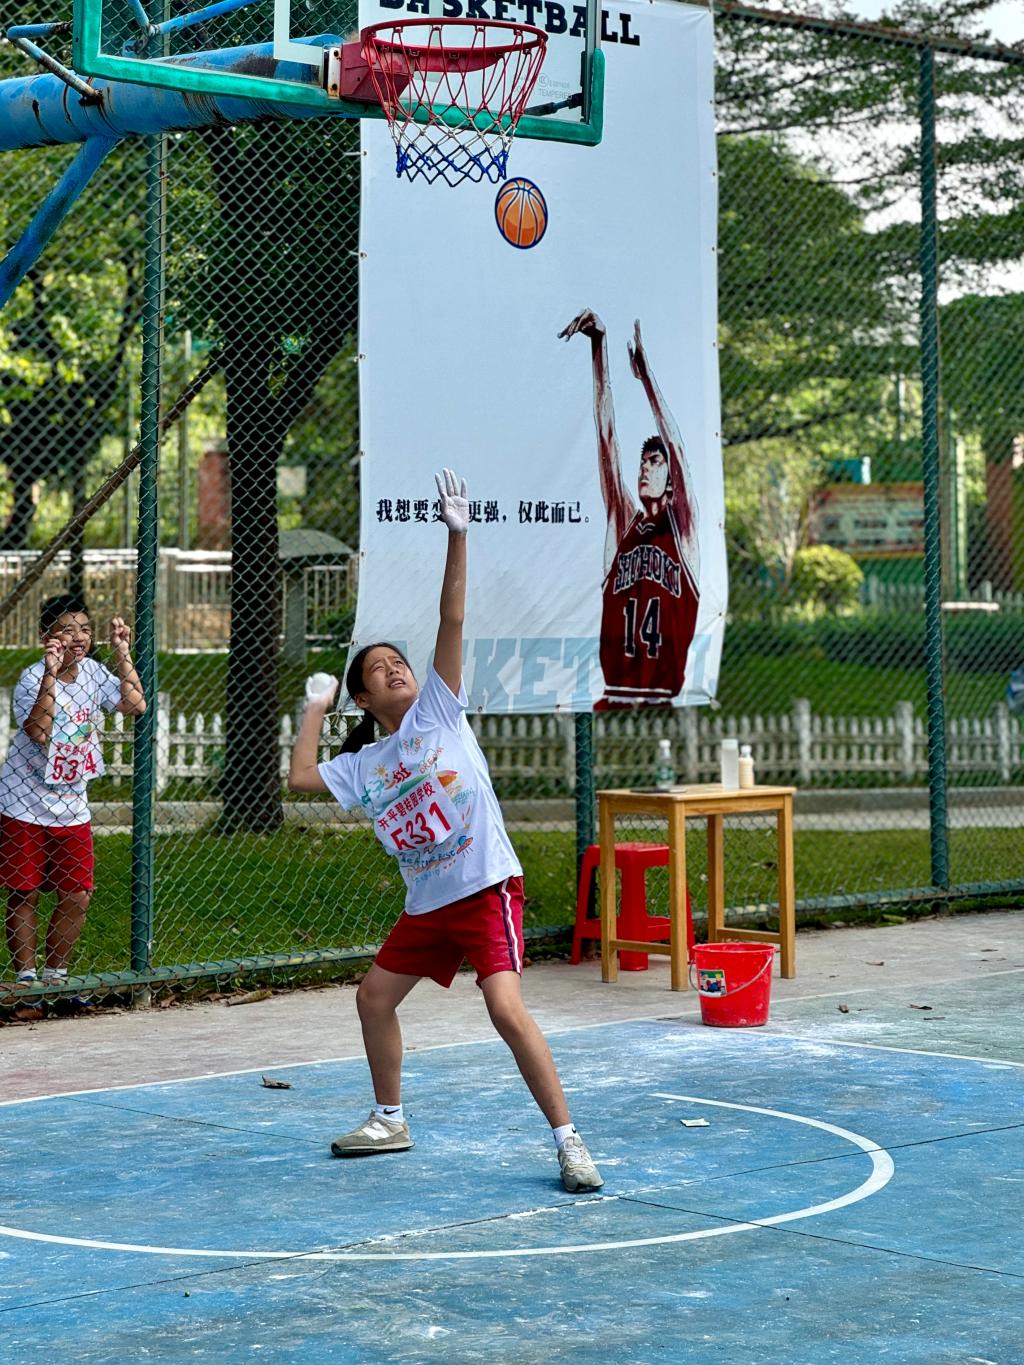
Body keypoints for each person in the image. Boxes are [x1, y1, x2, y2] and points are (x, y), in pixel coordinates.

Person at [288, 469, 603, 1194]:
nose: (395, 668)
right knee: (373, 998)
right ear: (363, 697)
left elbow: (450, 618)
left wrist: (457, 535)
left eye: (398, 661)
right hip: (428, 905)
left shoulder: (438, 710)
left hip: (485, 887)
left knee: (504, 1007)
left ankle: (569, 1140)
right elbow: (301, 777)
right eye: (379, 669)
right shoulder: (365, 764)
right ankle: (389, 1118)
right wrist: (315, 705)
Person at [1, 594, 146, 989]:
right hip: (24, 802)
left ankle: (57, 978)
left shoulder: (93, 673)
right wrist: (51, 671)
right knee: (25, 892)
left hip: (72, 805)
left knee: (77, 893)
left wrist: (121, 653)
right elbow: (39, 731)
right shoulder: (31, 678)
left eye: (85, 629)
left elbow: (136, 704)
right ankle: (27, 981)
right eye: (67, 630)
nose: (79, 637)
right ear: (46, 636)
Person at [560, 310, 700, 708]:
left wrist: (647, 380)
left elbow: (678, 449)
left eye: (654, 463)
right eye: (643, 462)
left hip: (662, 704)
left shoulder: (682, 530)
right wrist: (598, 348)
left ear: (671, 479)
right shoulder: (625, 524)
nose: (644, 468)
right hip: (615, 699)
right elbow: (607, 440)